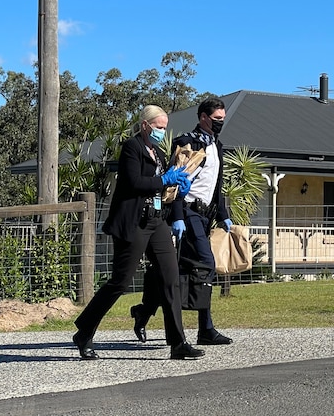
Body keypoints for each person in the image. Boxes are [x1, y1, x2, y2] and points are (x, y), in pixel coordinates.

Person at [72, 105, 204, 361]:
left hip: (156, 222)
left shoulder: (160, 153)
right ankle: (84, 331)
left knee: (170, 278)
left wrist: (178, 190)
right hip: (133, 222)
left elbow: (163, 188)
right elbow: (133, 183)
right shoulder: (132, 148)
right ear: (145, 125)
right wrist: (164, 180)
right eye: (159, 127)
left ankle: (178, 343)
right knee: (120, 282)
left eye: (165, 128)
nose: (162, 132)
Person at [131, 97, 234, 346]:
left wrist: (223, 214)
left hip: (205, 215)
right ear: (203, 117)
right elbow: (176, 183)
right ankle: (205, 328)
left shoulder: (216, 146)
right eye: (217, 119)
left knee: (179, 270)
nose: (221, 123)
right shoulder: (188, 143)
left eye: (223, 118)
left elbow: (215, 185)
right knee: (205, 264)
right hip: (187, 212)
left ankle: (144, 311)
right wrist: (177, 216)